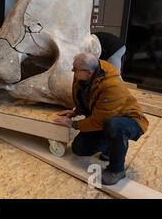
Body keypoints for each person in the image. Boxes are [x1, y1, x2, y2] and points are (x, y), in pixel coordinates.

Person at [54, 53, 149, 185]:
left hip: (129, 120)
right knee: (79, 148)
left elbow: (100, 120)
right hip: (106, 118)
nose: (72, 71)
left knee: (115, 125)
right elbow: (87, 99)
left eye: (75, 69)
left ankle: (117, 170)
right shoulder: (83, 77)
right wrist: (75, 112)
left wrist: (73, 124)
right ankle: (109, 145)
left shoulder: (112, 86)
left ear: (88, 72)